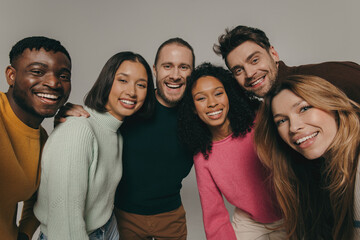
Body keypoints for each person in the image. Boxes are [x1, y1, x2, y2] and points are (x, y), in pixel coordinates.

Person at [33, 51, 155, 240]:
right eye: (123, 80)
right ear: (107, 81)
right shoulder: (79, 130)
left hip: (106, 227)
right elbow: (65, 226)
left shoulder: (116, 132)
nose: (132, 91)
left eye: (141, 85)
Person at [178, 62, 284, 239]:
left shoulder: (260, 121)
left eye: (218, 93)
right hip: (249, 222)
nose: (212, 103)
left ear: (229, 96)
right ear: (193, 109)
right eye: (201, 98)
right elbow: (214, 214)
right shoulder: (203, 156)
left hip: (291, 214)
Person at [254, 75, 360, 239]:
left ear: (332, 104)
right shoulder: (311, 175)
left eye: (304, 109)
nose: (294, 127)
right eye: (282, 120)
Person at [113, 38, 194, 239]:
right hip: (124, 215)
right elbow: (99, 114)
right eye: (168, 66)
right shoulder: (132, 103)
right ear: (155, 69)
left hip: (171, 216)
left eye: (183, 67)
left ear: (192, 72)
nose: (175, 75)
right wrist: (72, 112)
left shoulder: (199, 112)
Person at [0, 36, 72, 240]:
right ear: (11, 75)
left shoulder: (41, 138)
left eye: (64, 76)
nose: (53, 82)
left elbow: (37, 200)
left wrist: (23, 234)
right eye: (38, 72)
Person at [214, 25, 360, 104]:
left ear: (273, 54)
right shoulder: (268, 110)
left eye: (254, 60)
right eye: (239, 70)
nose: (250, 73)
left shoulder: (322, 77)